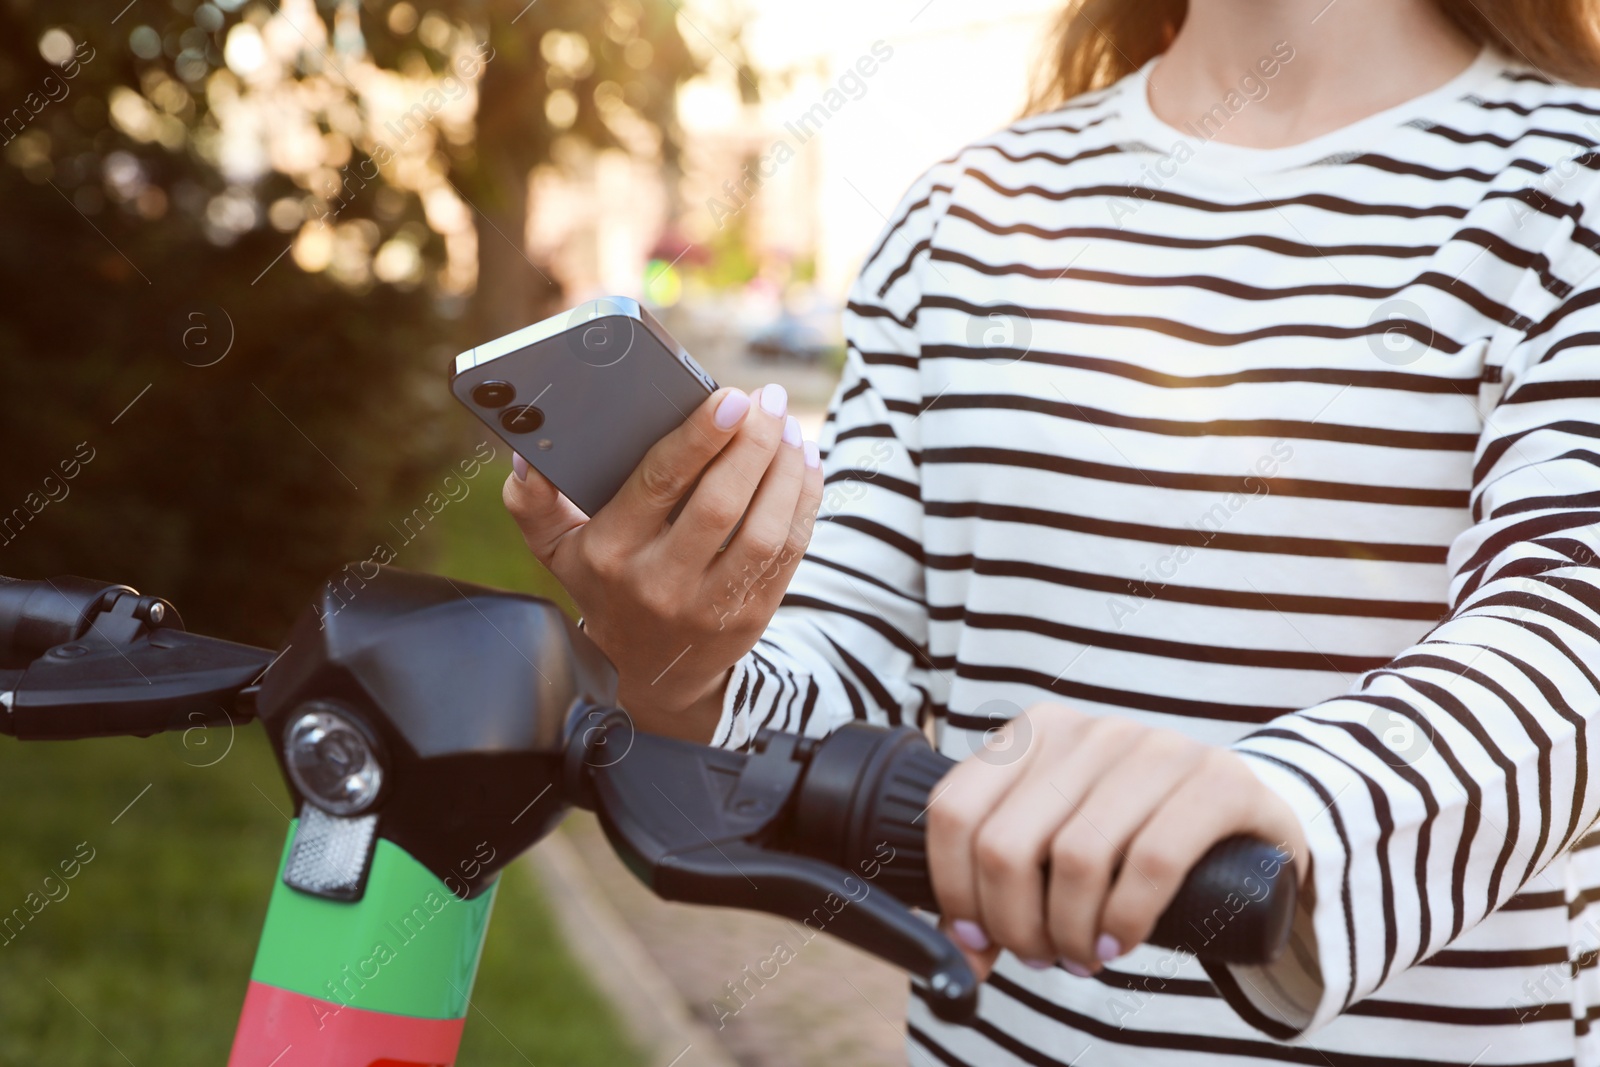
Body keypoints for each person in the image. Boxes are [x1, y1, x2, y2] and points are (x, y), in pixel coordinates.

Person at [504, 0, 1600, 1061]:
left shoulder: (1572, 185)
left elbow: (1567, 639)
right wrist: (677, 652)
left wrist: (1285, 801)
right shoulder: (957, 220)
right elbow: (824, 689)